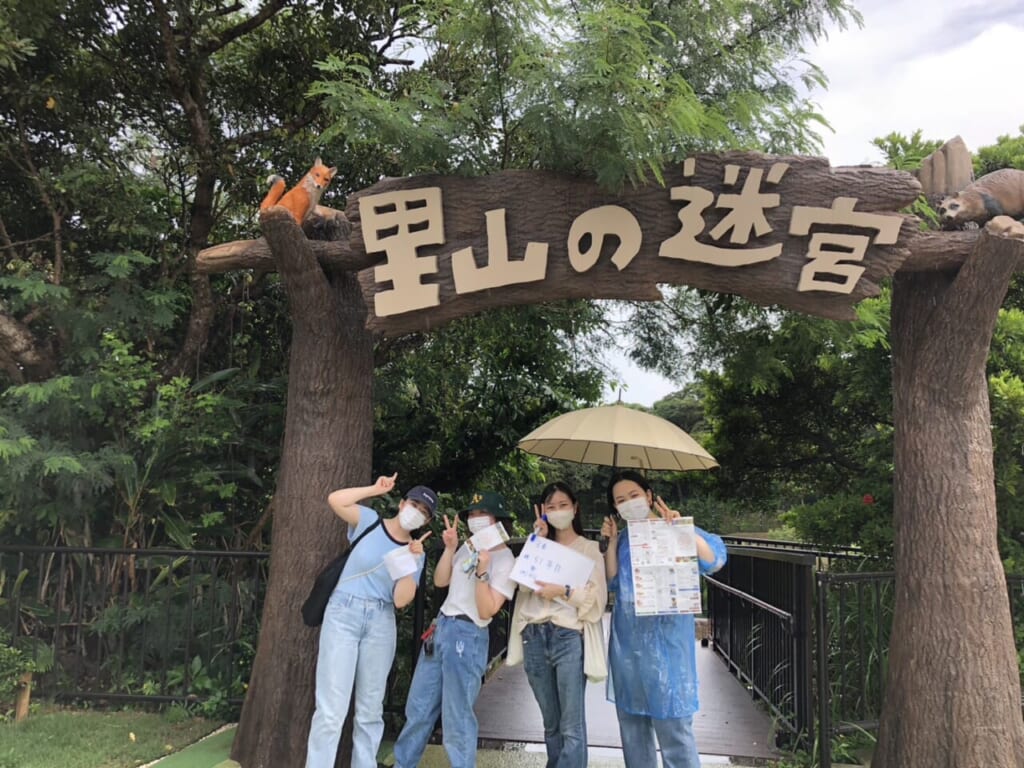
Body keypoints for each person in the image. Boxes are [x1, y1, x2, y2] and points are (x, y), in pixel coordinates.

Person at [305, 473, 437, 768]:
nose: (416, 512)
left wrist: (411, 562)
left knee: (370, 712)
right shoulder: (370, 521)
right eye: (414, 504)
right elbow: (335, 500)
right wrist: (375, 489)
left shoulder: (416, 553)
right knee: (330, 710)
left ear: (427, 521)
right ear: (402, 503)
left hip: (380, 620)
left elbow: (401, 600)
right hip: (343, 612)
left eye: (424, 512)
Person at [600, 469, 728, 768]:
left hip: (669, 649)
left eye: (634, 495)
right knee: (633, 728)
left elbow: (714, 561)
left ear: (649, 495)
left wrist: (682, 529)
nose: (628, 502)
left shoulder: (675, 528)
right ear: (615, 508)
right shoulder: (625, 541)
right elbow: (613, 583)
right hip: (628, 648)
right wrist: (611, 543)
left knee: (675, 730)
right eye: (620, 500)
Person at [393, 491, 518, 768]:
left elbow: (487, 610)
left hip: (468, 633)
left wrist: (483, 573)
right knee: (418, 709)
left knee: (457, 716)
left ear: (498, 519)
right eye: (471, 514)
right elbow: (441, 581)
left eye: (481, 513)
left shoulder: (506, 560)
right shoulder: (469, 546)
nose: (475, 519)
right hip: (442, 626)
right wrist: (450, 548)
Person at [507, 481, 608, 768]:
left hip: (568, 637)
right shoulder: (539, 544)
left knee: (571, 726)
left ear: (575, 508)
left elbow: (596, 601)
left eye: (563, 505)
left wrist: (563, 591)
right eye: (551, 506)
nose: (558, 511)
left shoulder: (589, 549)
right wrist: (535, 541)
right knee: (550, 723)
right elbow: (519, 582)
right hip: (534, 635)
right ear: (542, 511)